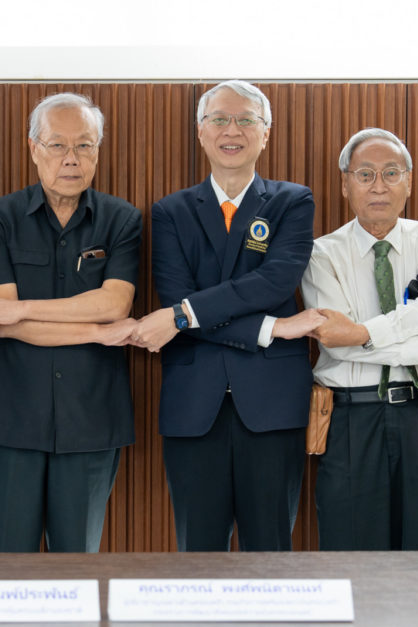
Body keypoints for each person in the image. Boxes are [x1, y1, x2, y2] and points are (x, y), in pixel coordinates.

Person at [132, 80, 315, 552]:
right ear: (201, 131)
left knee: (270, 552)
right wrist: (272, 327)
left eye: (246, 120)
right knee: (198, 554)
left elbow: (274, 282)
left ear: (265, 133)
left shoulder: (292, 201)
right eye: (219, 119)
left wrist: (184, 315)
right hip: (194, 405)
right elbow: (175, 295)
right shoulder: (170, 212)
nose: (232, 130)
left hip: (272, 405)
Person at [296, 128, 418, 551]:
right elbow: (334, 339)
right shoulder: (321, 254)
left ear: (409, 182)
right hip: (348, 420)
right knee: (350, 554)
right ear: (345, 185)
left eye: (391, 173)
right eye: (365, 174)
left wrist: (363, 331)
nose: (378, 186)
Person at [0, 92, 141, 553]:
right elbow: (2, 323)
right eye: (58, 145)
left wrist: (23, 307)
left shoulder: (122, 219)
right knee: (9, 565)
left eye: (84, 145)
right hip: (12, 416)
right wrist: (97, 333)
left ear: (97, 151)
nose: (71, 158)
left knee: (77, 564)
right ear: (34, 149)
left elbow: (114, 304)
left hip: (92, 416)